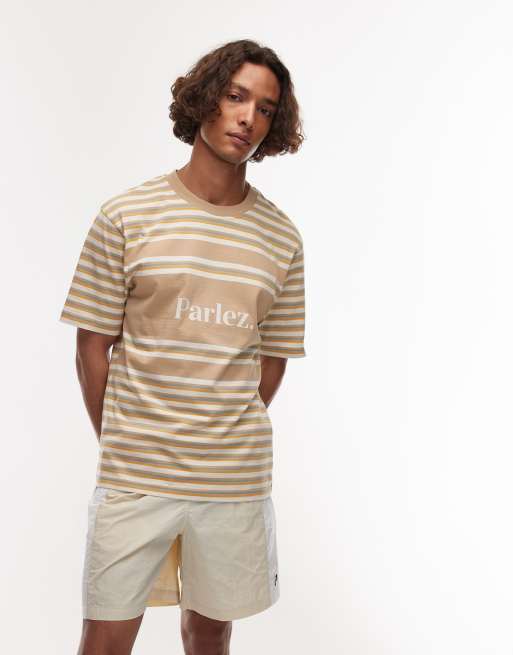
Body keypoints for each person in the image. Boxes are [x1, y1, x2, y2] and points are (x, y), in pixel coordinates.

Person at [60, 38, 307, 655]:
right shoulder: (127, 215)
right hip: (135, 472)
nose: (248, 118)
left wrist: (219, 427)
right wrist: (123, 438)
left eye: (266, 108)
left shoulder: (281, 237)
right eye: (236, 97)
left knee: (210, 632)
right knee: (105, 635)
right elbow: (92, 346)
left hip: (232, 477)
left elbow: (273, 358)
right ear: (206, 100)